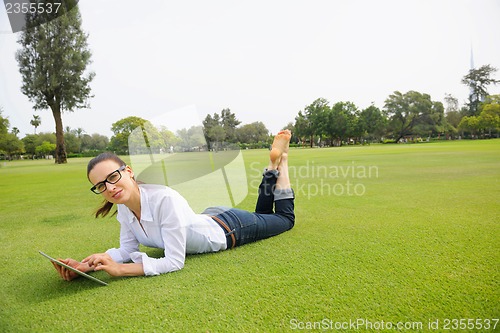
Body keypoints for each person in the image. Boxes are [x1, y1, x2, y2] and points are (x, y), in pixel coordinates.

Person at [53, 130, 295, 280]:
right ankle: (272, 168)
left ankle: (279, 164)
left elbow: (174, 262)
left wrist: (119, 270)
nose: (109, 188)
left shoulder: (163, 199)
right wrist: (88, 265)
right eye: (100, 186)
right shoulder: (125, 208)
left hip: (230, 227)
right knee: (263, 215)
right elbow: (126, 250)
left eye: (112, 177)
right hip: (209, 218)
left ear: (128, 172)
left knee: (284, 221)